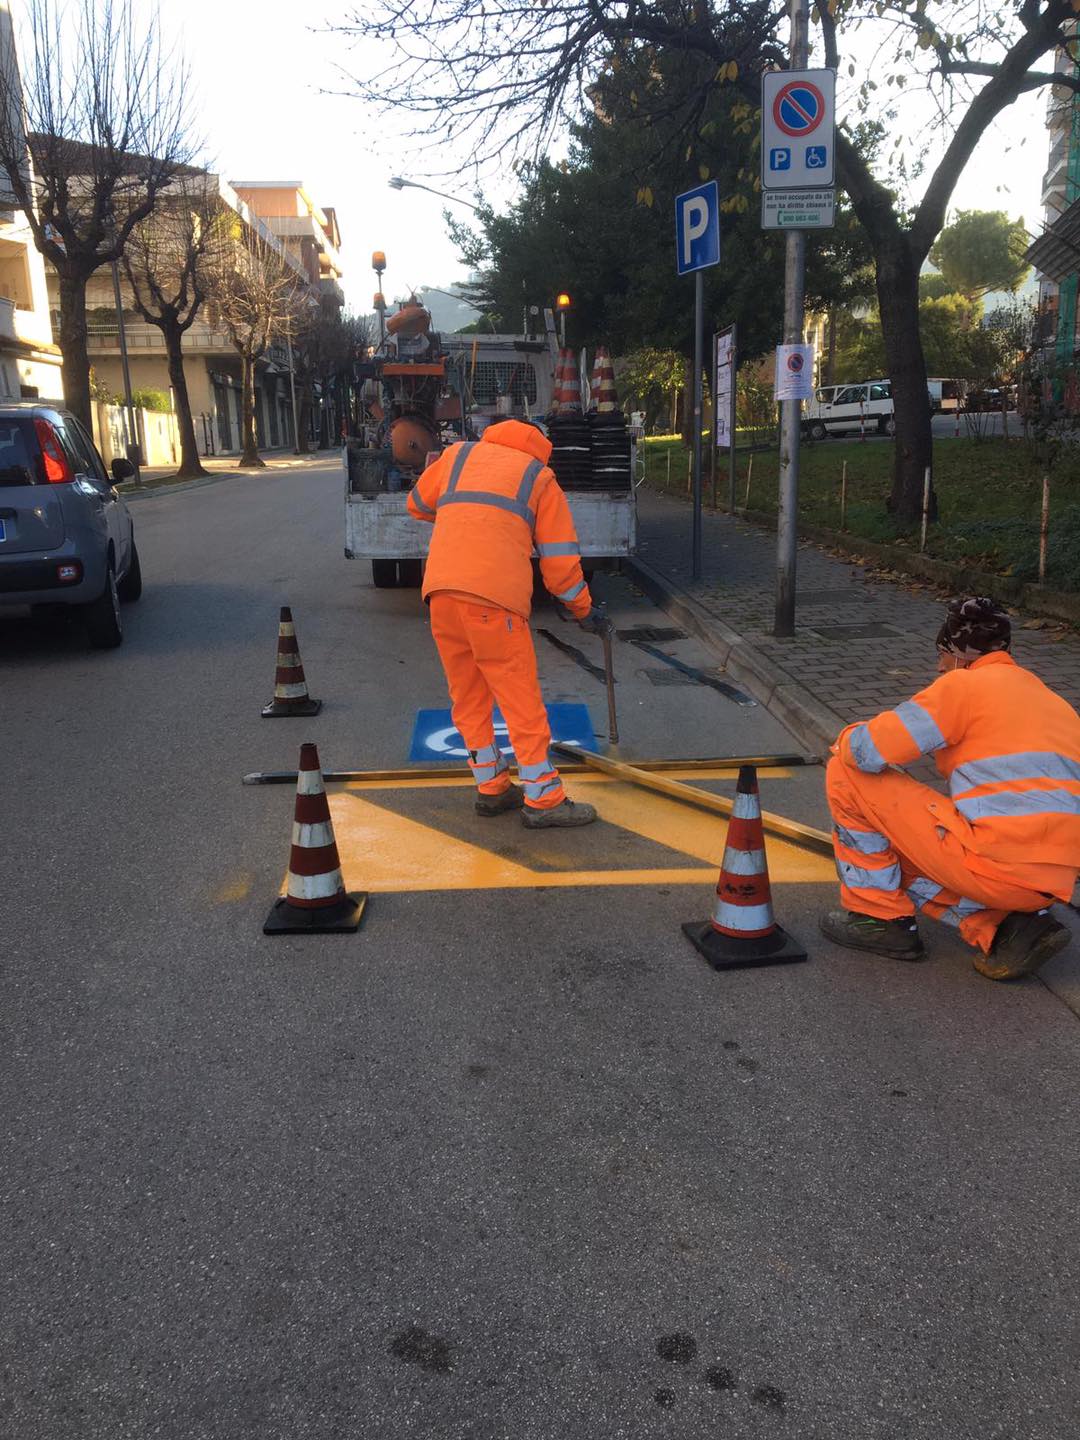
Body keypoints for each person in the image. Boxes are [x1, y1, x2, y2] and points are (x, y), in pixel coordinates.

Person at [820, 596, 1080, 979]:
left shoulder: (962, 686)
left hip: (995, 868)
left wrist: (845, 738)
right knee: (914, 837)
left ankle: (878, 918)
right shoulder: (1055, 703)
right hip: (1053, 882)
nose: (938, 666)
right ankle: (1006, 928)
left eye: (941, 655)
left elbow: (868, 752)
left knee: (844, 774)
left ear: (957, 654)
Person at [407, 418, 609, 828]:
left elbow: (416, 504)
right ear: (539, 450)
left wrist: (465, 516)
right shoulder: (539, 476)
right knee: (519, 697)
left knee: (468, 694)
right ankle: (544, 798)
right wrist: (585, 611)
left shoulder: (457, 455)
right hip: (493, 600)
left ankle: (492, 787)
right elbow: (560, 566)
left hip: (442, 593)